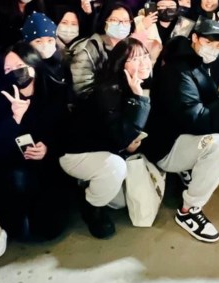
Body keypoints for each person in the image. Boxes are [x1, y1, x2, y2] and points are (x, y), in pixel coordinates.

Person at [0, 42, 70, 258]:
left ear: (33, 63)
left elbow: (66, 130)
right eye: (7, 69)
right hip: (9, 167)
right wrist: (15, 119)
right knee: (19, 226)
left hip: (46, 167)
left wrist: (48, 147)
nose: (14, 72)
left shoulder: (54, 90)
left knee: (50, 229)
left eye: (19, 65)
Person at [59, 38, 153, 238]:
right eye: (135, 59)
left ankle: (89, 187)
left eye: (145, 56)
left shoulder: (132, 85)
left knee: (119, 202)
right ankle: (90, 208)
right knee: (115, 170)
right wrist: (140, 99)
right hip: (77, 154)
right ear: (121, 65)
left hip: (103, 149)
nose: (144, 63)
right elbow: (120, 137)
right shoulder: (108, 90)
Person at [149, 18, 219, 176]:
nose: (213, 49)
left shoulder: (198, 63)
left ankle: (191, 167)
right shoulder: (178, 70)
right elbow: (196, 120)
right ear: (194, 38)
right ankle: (193, 198)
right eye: (208, 42)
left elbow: (207, 102)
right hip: (171, 143)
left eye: (217, 46)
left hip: (190, 135)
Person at [70, 3, 136, 99]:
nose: (121, 25)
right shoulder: (86, 50)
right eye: (114, 20)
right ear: (105, 22)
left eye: (126, 21)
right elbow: (83, 90)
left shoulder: (131, 46)